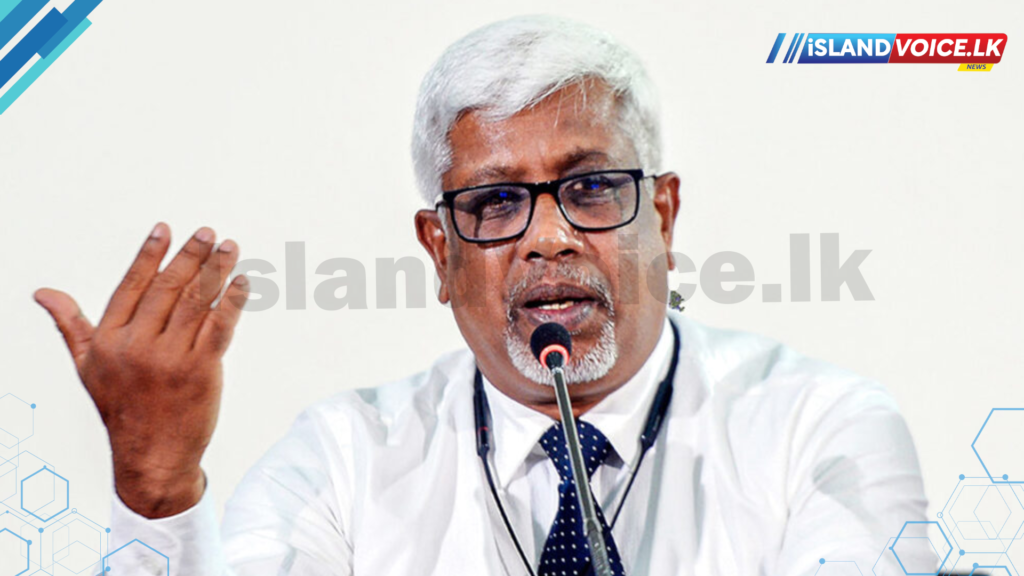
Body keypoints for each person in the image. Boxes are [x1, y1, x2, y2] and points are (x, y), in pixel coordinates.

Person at [34, 14, 933, 576]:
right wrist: (157, 491)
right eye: (496, 202)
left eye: (590, 188)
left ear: (662, 215)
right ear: (440, 251)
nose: (548, 237)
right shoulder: (343, 459)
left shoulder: (819, 427)